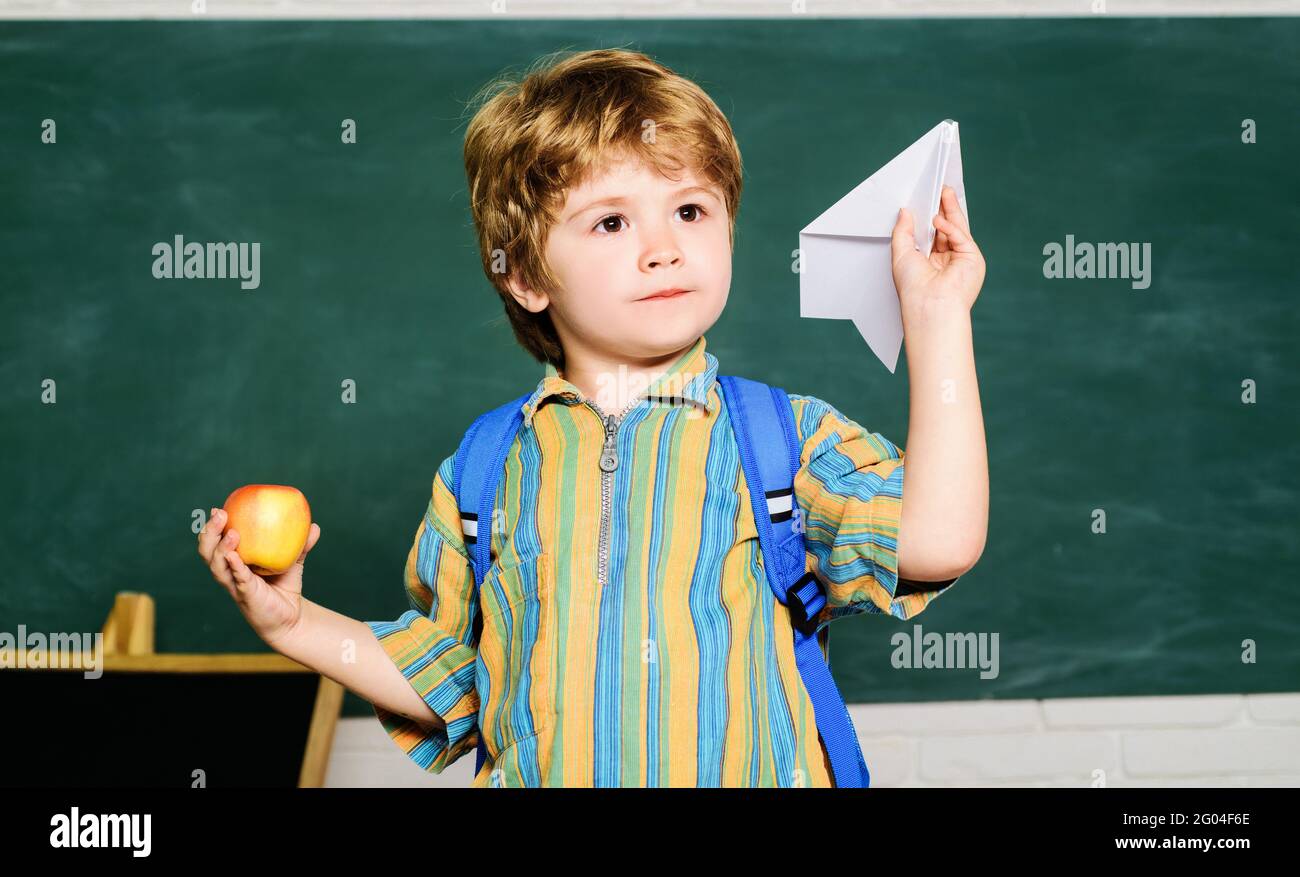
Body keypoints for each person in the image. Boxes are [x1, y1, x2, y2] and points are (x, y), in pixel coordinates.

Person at [196, 47, 988, 787]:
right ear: (528, 277)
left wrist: (939, 317)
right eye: (612, 222)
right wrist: (294, 625)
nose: (664, 248)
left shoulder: (782, 440)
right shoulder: (483, 470)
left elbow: (937, 542)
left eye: (690, 210)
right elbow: (451, 678)